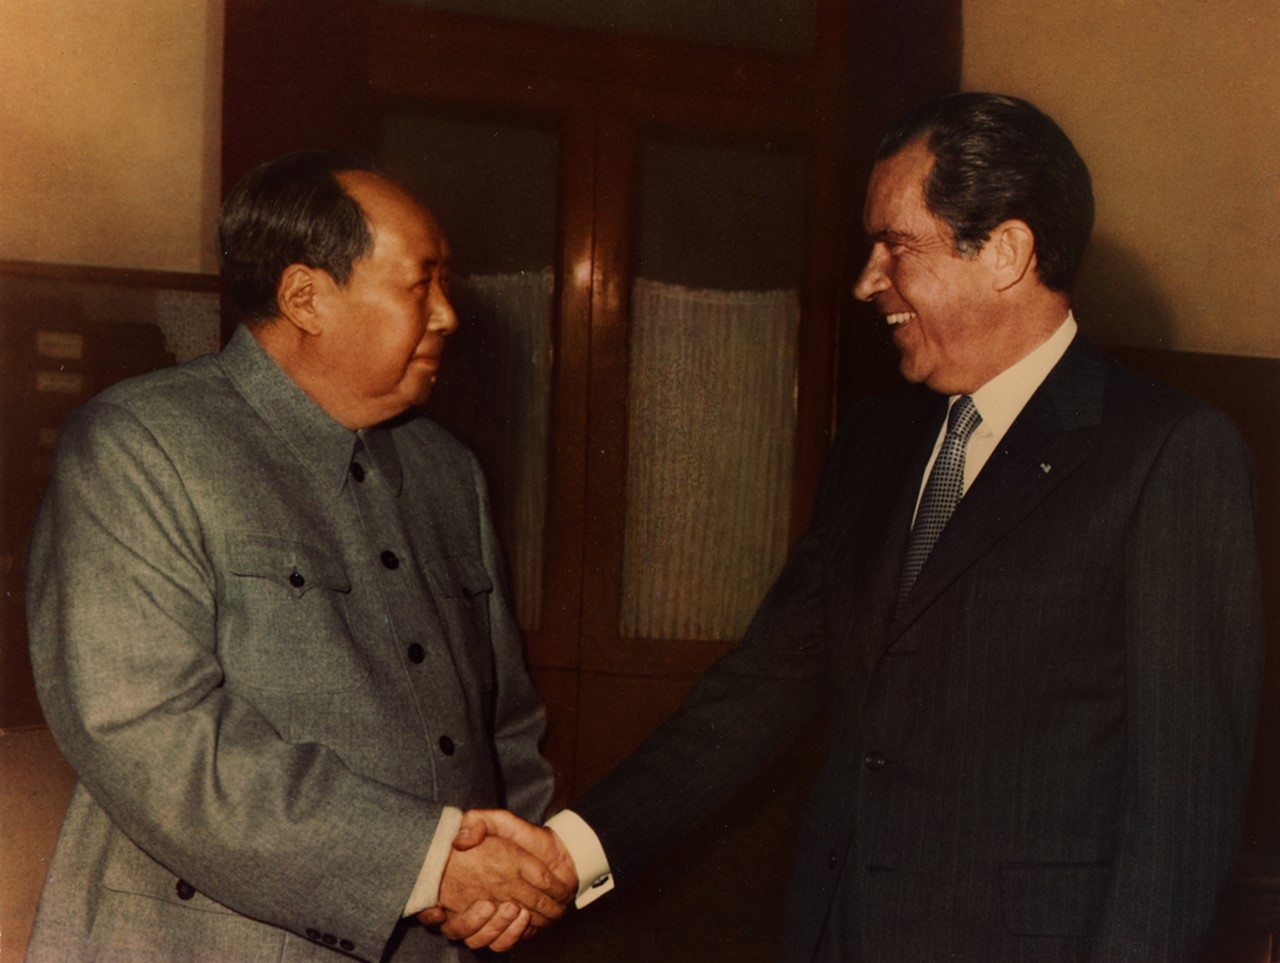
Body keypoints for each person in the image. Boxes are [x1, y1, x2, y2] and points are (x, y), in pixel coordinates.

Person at [437, 93, 1266, 961]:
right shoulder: (877, 439)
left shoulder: (1166, 452)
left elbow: (1182, 819)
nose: (869, 280)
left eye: (895, 245)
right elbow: (764, 684)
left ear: (1007, 252)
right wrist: (568, 853)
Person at [25, 150, 572, 962]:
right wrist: (426, 867)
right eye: (421, 283)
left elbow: (504, 727)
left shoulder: (448, 471)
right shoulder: (138, 446)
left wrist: (523, 875)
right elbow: (149, 735)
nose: (448, 315)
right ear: (305, 298)